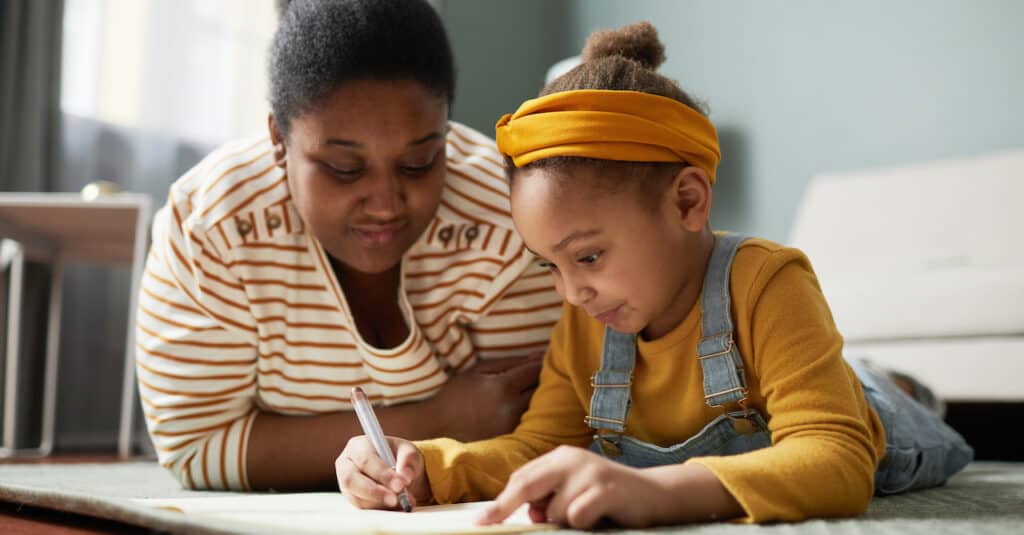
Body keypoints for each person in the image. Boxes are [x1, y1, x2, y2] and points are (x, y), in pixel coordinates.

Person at [334, 21, 973, 527]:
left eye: (586, 256)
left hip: (876, 420)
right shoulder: (591, 318)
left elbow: (835, 459)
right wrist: (429, 466)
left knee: (872, 390)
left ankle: (900, 384)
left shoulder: (768, 281)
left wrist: (657, 491)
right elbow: (540, 447)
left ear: (689, 202)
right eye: (549, 265)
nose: (570, 292)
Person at [135, 0, 562, 492]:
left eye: (420, 161)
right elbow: (197, 448)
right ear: (278, 140)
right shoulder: (210, 228)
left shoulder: (506, 216)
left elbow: (538, 425)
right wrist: (439, 419)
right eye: (344, 168)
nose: (385, 203)